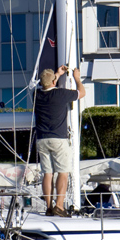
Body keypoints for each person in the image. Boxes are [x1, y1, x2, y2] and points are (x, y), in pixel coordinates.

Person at [34, 64, 85, 217]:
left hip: (42, 139)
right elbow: (81, 93)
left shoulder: (36, 95)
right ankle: (59, 206)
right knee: (63, 172)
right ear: (54, 83)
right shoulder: (61, 94)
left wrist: (57, 74)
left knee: (47, 173)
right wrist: (76, 78)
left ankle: (49, 207)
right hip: (58, 139)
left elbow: (47, 84)